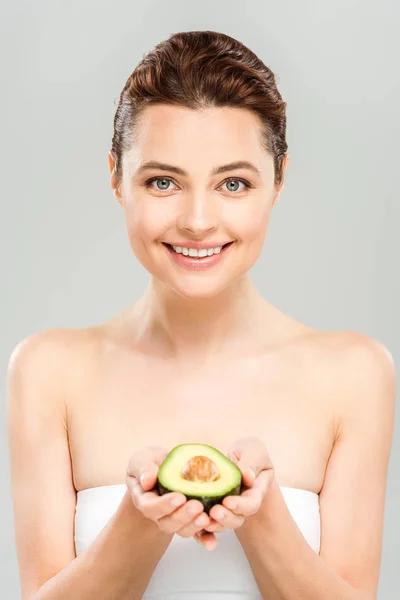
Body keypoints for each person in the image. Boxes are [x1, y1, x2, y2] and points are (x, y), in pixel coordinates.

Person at [7, 29, 395, 600]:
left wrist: (263, 519)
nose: (197, 220)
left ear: (278, 181)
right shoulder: (46, 372)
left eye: (233, 183)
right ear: (116, 177)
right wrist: (138, 526)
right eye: (163, 181)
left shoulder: (356, 374)